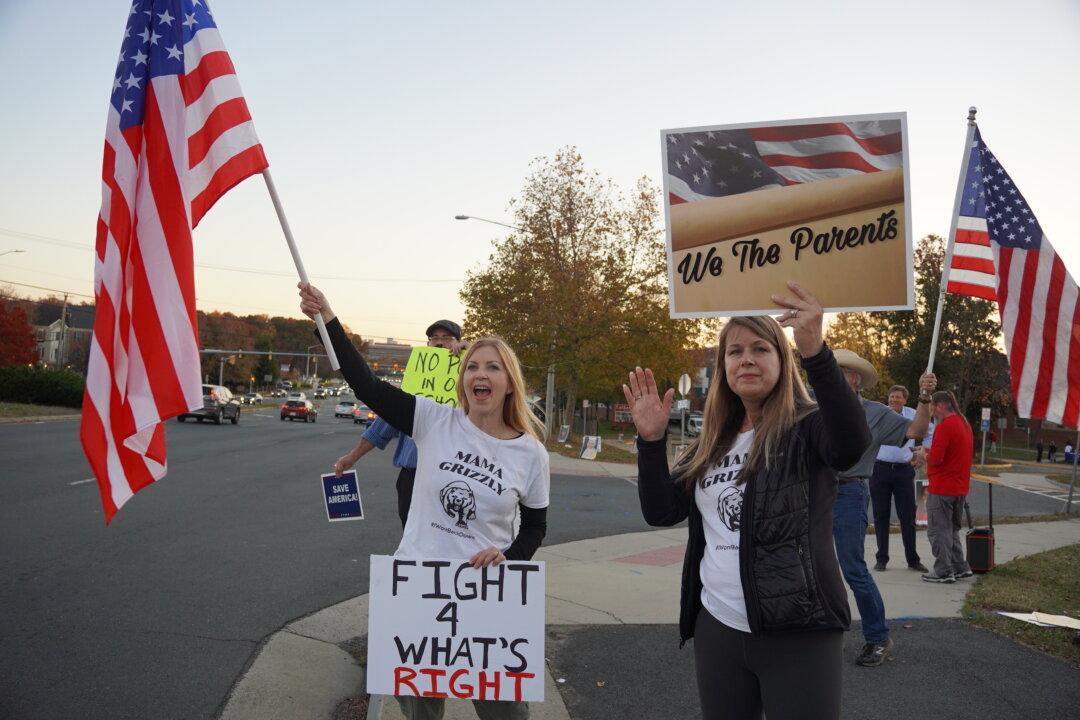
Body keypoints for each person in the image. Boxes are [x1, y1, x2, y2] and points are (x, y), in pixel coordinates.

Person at [299, 283, 548, 720]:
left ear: (510, 383)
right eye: (472, 367)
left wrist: (510, 556)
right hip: (420, 590)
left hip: (487, 598)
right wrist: (328, 321)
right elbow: (367, 386)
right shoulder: (433, 421)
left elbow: (535, 527)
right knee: (422, 714)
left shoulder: (530, 453)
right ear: (462, 379)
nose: (480, 375)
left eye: (492, 367)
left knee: (505, 714)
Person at [628, 282, 870, 720]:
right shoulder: (712, 442)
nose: (747, 359)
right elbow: (661, 511)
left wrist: (816, 351)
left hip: (798, 628)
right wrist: (651, 442)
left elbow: (851, 444)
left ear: (782, 359)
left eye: (761, 348)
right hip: (717, 625)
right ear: (723, 366)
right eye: (735, 351)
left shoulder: (807, 427)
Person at [832, 350, 935, 667]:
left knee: (852, 568)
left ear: (854, 379)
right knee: (808, 565)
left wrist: (925, 397)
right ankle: (818, 631)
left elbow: (916, 430)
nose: (827, 377)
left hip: (848, 492)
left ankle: (877, 638)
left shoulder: (875, 413)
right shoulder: (811, 405)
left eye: (837, 371)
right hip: (811, 492)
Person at [332, 319, 465, 527]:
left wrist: (472, 351)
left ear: (459, 342)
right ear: (428, 344)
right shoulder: (414, 385)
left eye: (447, 338)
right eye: (435, 339)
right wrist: (351, 457)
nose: (440, 343)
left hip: (453, 479)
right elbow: (383, 426)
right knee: (412, 536)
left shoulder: (469, 380)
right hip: (412, 478)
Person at [914, 391, 974, 583]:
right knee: (951, 529)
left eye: (931, 406)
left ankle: (943, 570)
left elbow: (937, 459)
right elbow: (950, 453)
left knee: (938, 530)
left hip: (942, 487)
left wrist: (923, 454)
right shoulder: (963, 423)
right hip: (959, 487)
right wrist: (928, 451)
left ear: (939, 405)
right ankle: (960, 566)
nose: (930, 410)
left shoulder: (944, 426)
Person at [869, 385, 928, 574]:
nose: (894, 400)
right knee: (881, 515)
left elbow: (929, 432)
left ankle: (912, 559)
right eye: (892, 396)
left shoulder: (912, 415)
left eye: (898, 397)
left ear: (905, 400)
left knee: (907, 516)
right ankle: (882, 558)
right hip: (879, 469)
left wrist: (923, 451)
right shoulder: (881, 414)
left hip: (904, 471)